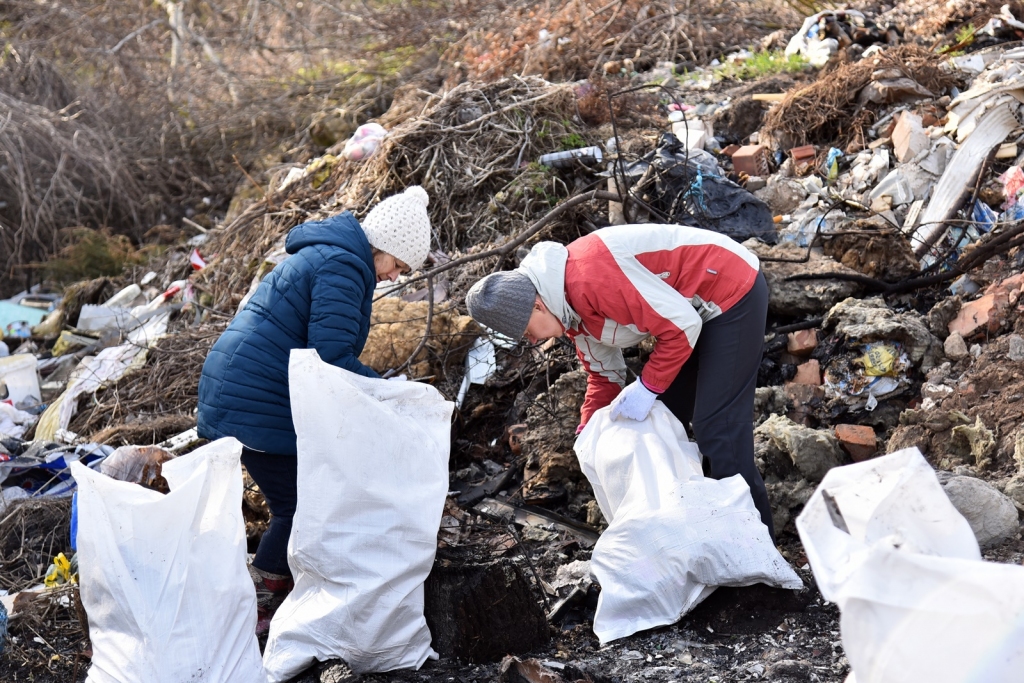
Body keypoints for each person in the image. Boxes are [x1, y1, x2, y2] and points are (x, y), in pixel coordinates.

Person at [197, 185, 432, 632]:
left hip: (241, 388)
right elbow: (330, 355)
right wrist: (388, 394)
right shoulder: (344, 265)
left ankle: (266, 592)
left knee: (301, 498)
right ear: (383, 246)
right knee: (301, 505)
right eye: (397, 265)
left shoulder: (331, 254)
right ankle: (260, 603)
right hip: (254, 398)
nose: (393, 277)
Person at [465, 223, 775, 540]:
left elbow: (681, 328)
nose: (531, 340)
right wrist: (588, 431)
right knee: (666, 417)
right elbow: (603, 375)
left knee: (717, 427)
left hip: (729, 289)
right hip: (694, 312)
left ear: (537, 305)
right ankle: (699, 530)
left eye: (527, 331)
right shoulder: (569, 311)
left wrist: (647, 387)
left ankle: (758, 549)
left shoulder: (588, 278)